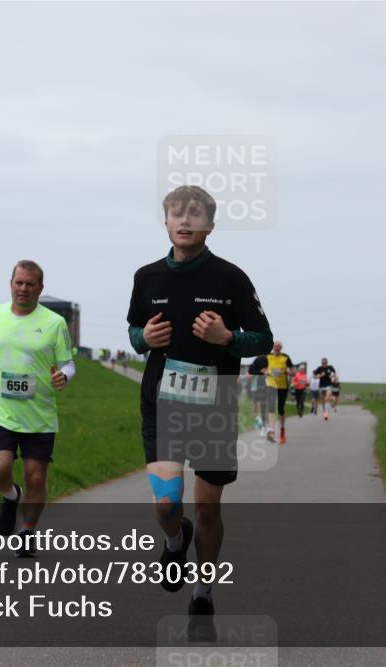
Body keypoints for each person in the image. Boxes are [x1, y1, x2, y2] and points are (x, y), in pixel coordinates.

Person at [127, 185, 272, 640]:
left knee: (208, 507)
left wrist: (228, 339)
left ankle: (203, 590)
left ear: (210, 225)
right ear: (166, 221)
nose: (184, 220)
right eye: (176, 213)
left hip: (213, 405)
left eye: (195, 214)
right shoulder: (147, 277)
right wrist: (142, 340)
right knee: (167, 502)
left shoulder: (231, 278)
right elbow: (134, 329)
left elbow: (263, 339)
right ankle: (174, 539)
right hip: (162, 401)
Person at [0, 260, 75, 558]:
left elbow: (68, 362)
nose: (24, 289)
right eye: (19, 282)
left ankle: (28, 530)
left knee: (36, 477)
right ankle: (10, 495)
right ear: (11, 283)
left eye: (30, 284)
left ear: (40, 288)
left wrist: (64, 375)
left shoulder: (55, 322)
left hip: (39, 415)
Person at [264, 341, 293, 443]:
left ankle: (282, 430)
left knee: (280, 409)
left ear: (281, 348)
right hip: (271, 385)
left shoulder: (285, 357)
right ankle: (271, 430)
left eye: (278, 347)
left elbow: (293, 371)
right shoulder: (267, 356)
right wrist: (265, 371)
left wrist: (287, 372)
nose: (276, 348)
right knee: (271, 407)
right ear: (272, 347)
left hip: (282, 386)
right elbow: (261, 368)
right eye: (275, 347)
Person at [247, 355, 268, 436]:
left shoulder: (269, 360)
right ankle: (257, 418)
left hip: (266, 386)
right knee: (255, 403)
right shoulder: (257, 361)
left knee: (264, 406)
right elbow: (249, 373)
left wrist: (266, 371)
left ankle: (264, 426)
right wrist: (261, 371)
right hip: (256, 387)